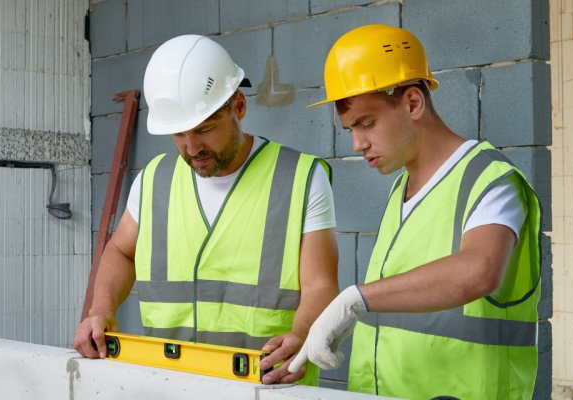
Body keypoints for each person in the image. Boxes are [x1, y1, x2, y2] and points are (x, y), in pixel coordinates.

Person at [287, 24, 542, 399]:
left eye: (367, 123)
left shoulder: (489, 181)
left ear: (412, 103)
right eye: (349, 129)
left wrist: (355, 299)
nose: (357, 143)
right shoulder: (399, 191)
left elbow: (478, 271)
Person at [72, 34, 338, 385]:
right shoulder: (154, 179)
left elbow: (321, 284)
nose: (192, 147)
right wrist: (101, 310)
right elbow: (121, 251)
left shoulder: (302, 178)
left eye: (205, 129)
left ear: (239, 107)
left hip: (267, 385)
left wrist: (301, 334)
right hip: (172, 385)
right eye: (179, 134)